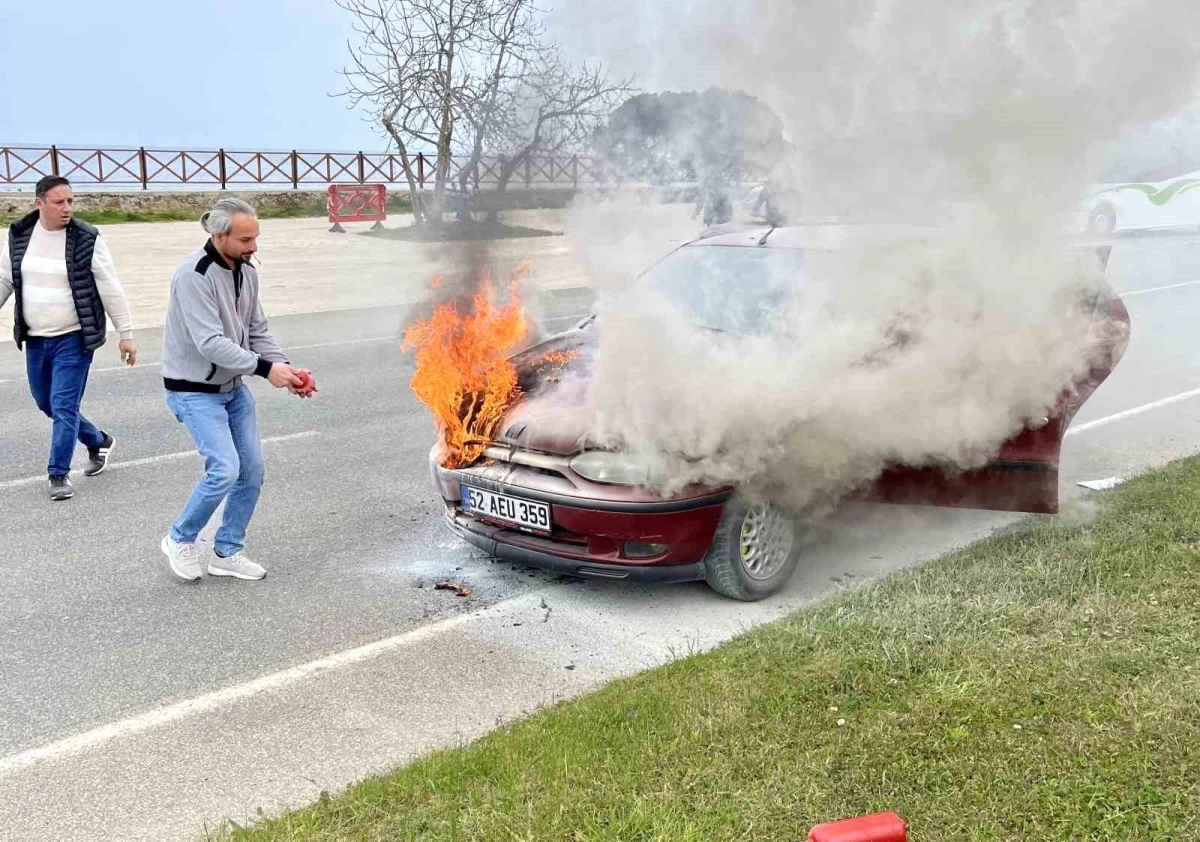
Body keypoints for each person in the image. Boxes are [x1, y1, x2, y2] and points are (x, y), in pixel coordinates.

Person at [159, 198, 311, 583]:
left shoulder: (246, 272)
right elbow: (209, 343)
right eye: (246, 239)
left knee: (252, 471)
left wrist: (286, 369)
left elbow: (257, 331)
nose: (254, 247)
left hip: (232, 387)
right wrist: (265, 369)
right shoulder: (193, 275)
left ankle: (227, 552)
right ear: (218, 235)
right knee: (224, 469)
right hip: (193, 390)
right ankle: (179, 538)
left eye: (255, 237)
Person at [0, 175, 137, 501]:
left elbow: (110, 287)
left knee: (63, 405)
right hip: (35, 337)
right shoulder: (20, 234)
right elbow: (6, 278)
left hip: (74, 338)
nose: (67, 208)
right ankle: (98, 440)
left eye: (70, 201)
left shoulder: (86, 237)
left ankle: (58, 474)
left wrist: (126, 334)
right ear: (39, 203)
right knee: (46, 402)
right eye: (59, 202)